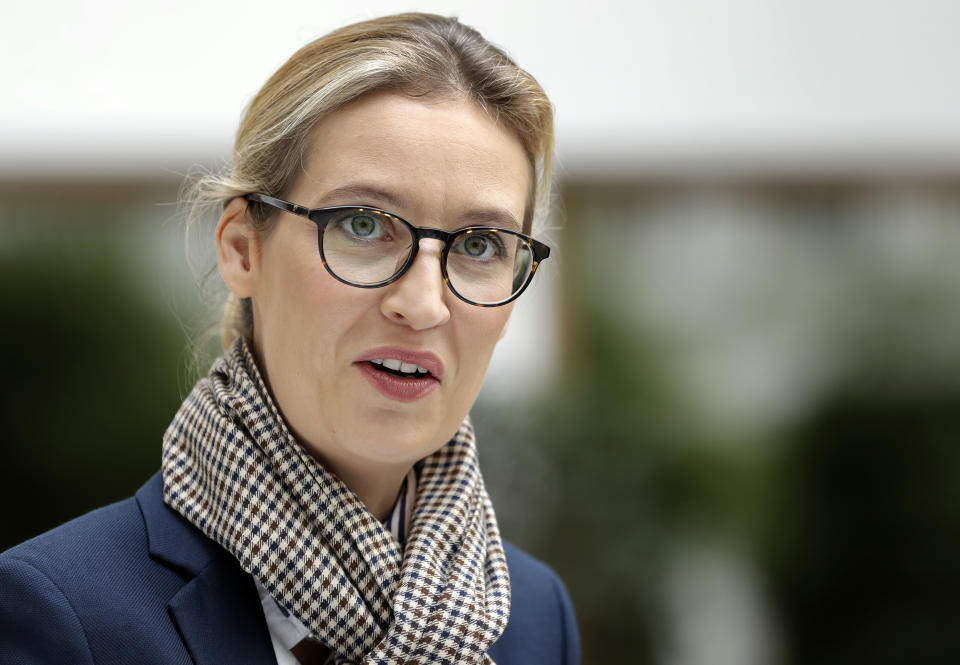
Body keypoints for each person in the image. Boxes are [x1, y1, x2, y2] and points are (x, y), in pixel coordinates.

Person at [0, 12, 579, 665]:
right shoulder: (63, 617)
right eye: (364, 224)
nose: (421, 304)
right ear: (244, 248)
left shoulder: (533, 618)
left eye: (480, 244)